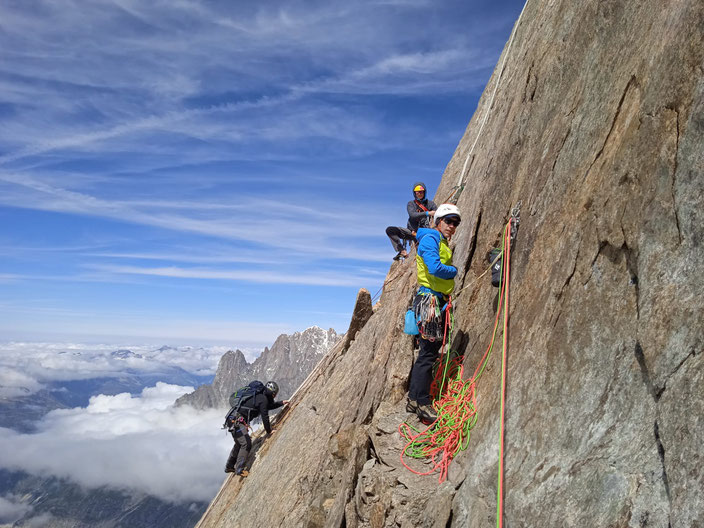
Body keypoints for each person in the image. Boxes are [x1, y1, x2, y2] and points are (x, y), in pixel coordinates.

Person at [406, 204, 461, 424]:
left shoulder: (438, 240)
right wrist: (454, 271)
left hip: (434, 302)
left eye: (455, 223)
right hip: (429, 302)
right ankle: (423, 402)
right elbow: (435, 268)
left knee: (426, 353)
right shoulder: (431, 239)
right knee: (428, 354)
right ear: (438, 221)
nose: (452, 226)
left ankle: (413, 399)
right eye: (448, 221)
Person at [224, 380, 289, 477]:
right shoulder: (262, 399)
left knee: (239, 443)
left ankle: (229, 466)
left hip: (232, 419)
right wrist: (269, 431)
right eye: (274, 395)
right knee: (246, 443)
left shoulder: (260, 397)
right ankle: (239, 469)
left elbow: (267, 407)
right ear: (272, 393)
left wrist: (281, 403)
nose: (274, 397)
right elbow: (265, 416)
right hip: (237, 421)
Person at [385, 182, 438, 260]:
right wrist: (428, 213)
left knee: (423, 254)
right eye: (417, 192)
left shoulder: (430, 204)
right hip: (411, 232)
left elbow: (437, 214)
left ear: (424, 192)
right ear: (414, 193)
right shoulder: (411, 204)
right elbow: (412, 215)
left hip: (423, 231)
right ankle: (402, 250)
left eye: (421, 192)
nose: (419, 194)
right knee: (390, 230)